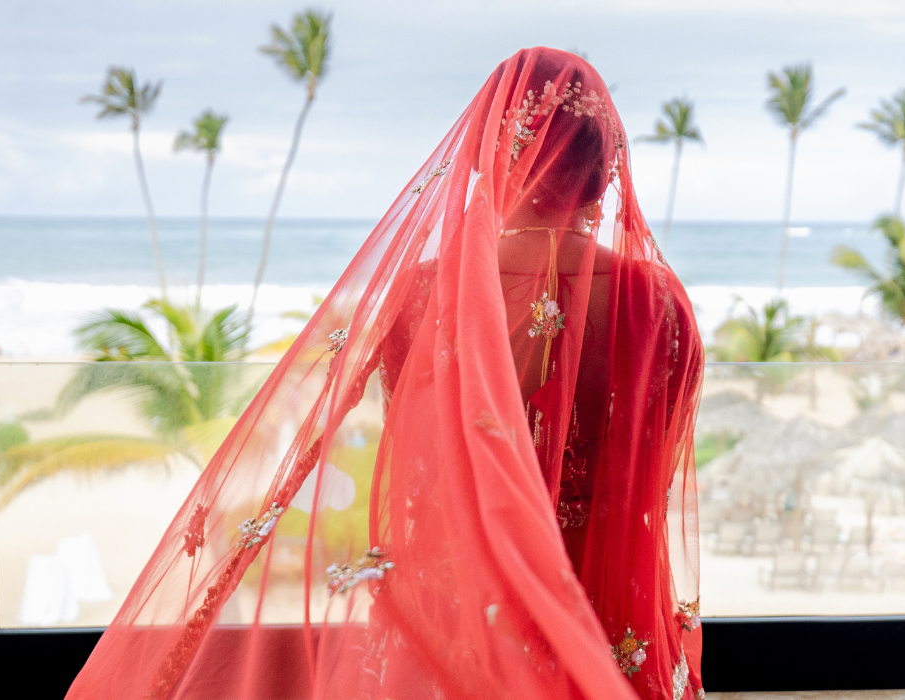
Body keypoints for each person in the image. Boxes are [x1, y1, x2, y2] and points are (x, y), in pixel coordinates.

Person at [67, 47, 704, 700]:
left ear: (488, 154)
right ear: (602, 166)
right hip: (605, 623)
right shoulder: (656, 302)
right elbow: (651, 481)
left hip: (456, 630)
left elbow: (419, 472)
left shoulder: (426, 293)